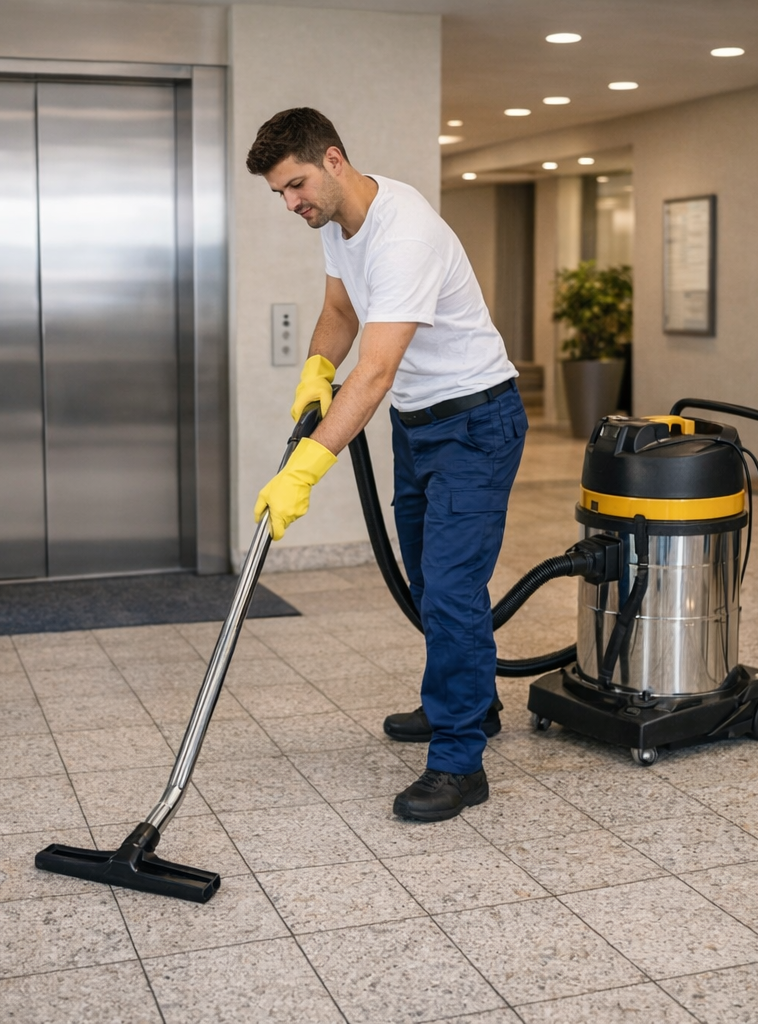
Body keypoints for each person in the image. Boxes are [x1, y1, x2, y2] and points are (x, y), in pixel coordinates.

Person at [246, 108, 526, 822]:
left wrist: (305, 468)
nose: (291, 203)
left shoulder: (405, 234)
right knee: (432, 580)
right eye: (280, 193)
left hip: (475, 422)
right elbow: (341, 309)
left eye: (296, 185)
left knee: (452, 592)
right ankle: (475, 703)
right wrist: (316, 368)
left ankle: (461, 761)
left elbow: (373, 373)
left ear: (333, 160)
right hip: (420, 423)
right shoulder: (341, 225)